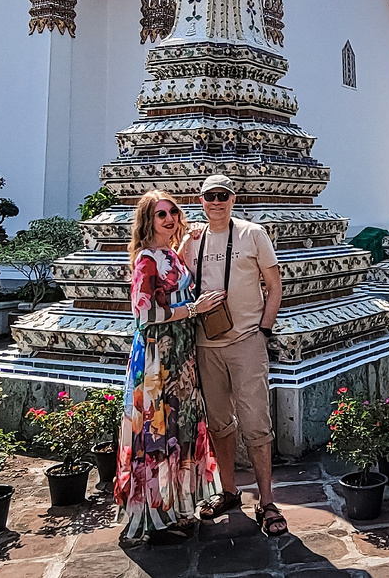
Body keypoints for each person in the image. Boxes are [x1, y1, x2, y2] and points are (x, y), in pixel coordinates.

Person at [181, 174, 287, 536]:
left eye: (222, 195)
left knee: (257, 424)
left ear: (232, 198)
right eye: (209, 196)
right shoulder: (192, 240)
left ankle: (267, 500)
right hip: (206, 345)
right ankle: (228, 491)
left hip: (246, 342)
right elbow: (173, 282)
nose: (216, 202)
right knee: (219, 424)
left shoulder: (252, 234)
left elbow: (274, 285)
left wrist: (264, 329)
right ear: (201, 200)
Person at [115, 190, 221, 544]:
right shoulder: (146, 259)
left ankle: (175, 507)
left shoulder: (167, 256)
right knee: (157, 432)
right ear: (149, 220)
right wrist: (193, 310)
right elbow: (144, 313)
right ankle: (154, 515)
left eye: (173, 212)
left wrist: (187, 243)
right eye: (162, 215)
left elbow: (174, 283)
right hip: (157, 358)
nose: (170, 219)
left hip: (180, 355)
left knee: (179, 427)